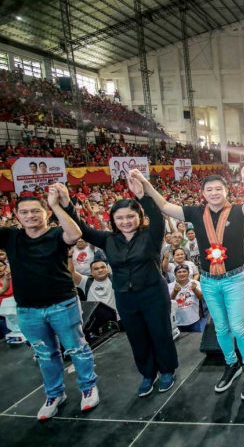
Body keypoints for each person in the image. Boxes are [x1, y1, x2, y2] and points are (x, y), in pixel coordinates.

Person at [130, 168, 244, 400]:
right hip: (208, 280)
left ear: (227, 191)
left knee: (238, 327)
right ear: (203, 194)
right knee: (221, 328)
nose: (214, 192)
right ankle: (231, 364)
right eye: (209, 189)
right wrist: (146, 185)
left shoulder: (238, 211)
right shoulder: (196, 212)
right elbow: (165, 206)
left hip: (233, 279)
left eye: (219, 188)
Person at [57, 180, 179, 399]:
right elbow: (82, 229)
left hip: (153, 293)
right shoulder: (107, 239)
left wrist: (142, 195)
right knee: (137, 336)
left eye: (130, 216)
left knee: (160, 333)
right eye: (120, 218)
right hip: (125, 296)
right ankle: (147, 374)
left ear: (140, 217)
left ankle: (167, 370)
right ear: (113, 220)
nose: (126, 221)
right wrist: (67, 204)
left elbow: (158, 215)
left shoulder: (150, 235)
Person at [0, 188, 99, 420]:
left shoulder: (56, 234)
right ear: (16, 216)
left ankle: (88, 388)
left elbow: (75, 234)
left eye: (36, 211)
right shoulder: (10, 237)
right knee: (45, 354)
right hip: (28, 308)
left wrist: (56, 205)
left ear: (45, 213)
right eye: (24, 212)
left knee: (76, 348)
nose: (30, 215)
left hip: (62, 303)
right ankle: (54, 395)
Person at [168, 264, 204, 332]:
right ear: (175, 274)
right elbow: (169, 303)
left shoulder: (195, 283)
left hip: (194, 320)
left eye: (184, 271)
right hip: (177, 323)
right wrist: (175, 292)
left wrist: (195, 289)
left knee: (196, 341)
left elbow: (200, 297)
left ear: (188, 273)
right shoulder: (169, 286)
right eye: (179, 272)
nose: (182, 274)